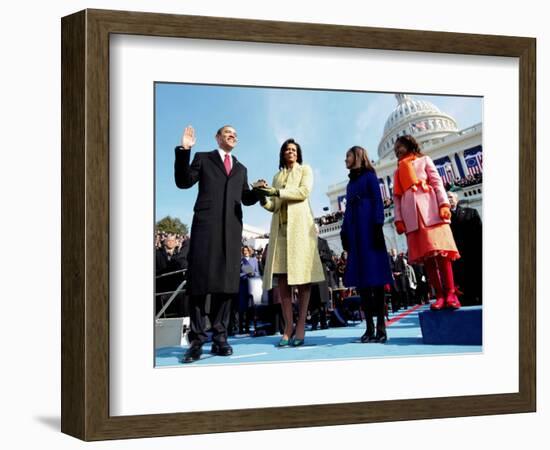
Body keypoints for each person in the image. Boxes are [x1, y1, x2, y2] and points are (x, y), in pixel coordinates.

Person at [174, 125, 260, 363]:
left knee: (227, 285)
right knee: (200, 284)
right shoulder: (203, 158)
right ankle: (197, 341)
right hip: (205, 228)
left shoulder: (241, 168)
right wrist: (185, 150)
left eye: (235, 133)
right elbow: (183, 181)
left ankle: (221, 338)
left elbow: (246, 198)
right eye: (227, 132)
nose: (233, 135)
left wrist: (259, 192)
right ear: (217, 137)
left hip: (231, 231)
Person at [253, 138, 325, 347]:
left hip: (301, 229)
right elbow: (274, 205)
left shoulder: (305, 170)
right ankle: (288, 326)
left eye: (294, 149)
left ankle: (301, 324)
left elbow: (303, 193)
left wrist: (276, 192)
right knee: (282, 281)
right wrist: (262, 197)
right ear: (282, 154)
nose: (290, 152)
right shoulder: (277, 176)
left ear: (298, 153)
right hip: (281, 231)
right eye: (287, 149)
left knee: (303, 279)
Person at [392, 135, 461, 311]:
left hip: (431, 211)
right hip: (412, 218)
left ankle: (451, 293)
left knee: (442, 256)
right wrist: (399, 219)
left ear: (409, 145)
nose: (397, 150)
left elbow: (437, 183)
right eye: (396, 148)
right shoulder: (397, 171)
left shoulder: (424, 160)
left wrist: (444, 204)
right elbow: (397, 198)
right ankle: (438, 295)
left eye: (400, 146)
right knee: (428, 260)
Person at [340, 146, 393, 343]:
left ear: (358, 156)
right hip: (355, 232)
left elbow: (378, 201)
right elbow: (347, 210)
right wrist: (344, 231)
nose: (345, 159)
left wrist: (378, 225)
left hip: (370, 230)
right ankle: (369, 326)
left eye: (348, 155)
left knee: (376, 280)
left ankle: (381, 327)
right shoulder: (350, 183)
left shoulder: (370, 176)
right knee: (362, 283)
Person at [448, 191, 483, 305]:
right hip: (458, 258)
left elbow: (480, 233)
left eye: (451, 197)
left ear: (457, 199)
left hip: (474, 255)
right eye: (447, 197)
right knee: (465, 290)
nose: (449, 199)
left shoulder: (471, 212)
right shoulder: (444, 219)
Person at [155, 233, 189, 317]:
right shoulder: (156, 254)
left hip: (177, 288)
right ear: (164, 242)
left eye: (173, 240)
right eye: (169, 240)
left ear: (176, 242)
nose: (171, 242)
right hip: (163, 288)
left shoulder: (179, 255)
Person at [237, 246, 260, 334]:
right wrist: (245, 274)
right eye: (244, 250)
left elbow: (257, 272)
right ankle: (240, 328)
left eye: (247, 250)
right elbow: (238, 274)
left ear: (250, 251)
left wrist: (253, 274)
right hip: (242, 285)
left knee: (252, 307)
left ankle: (250, 327)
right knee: (242, 307)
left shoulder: (254, 260)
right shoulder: (240, 260)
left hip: (252, 285)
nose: (245, 252)